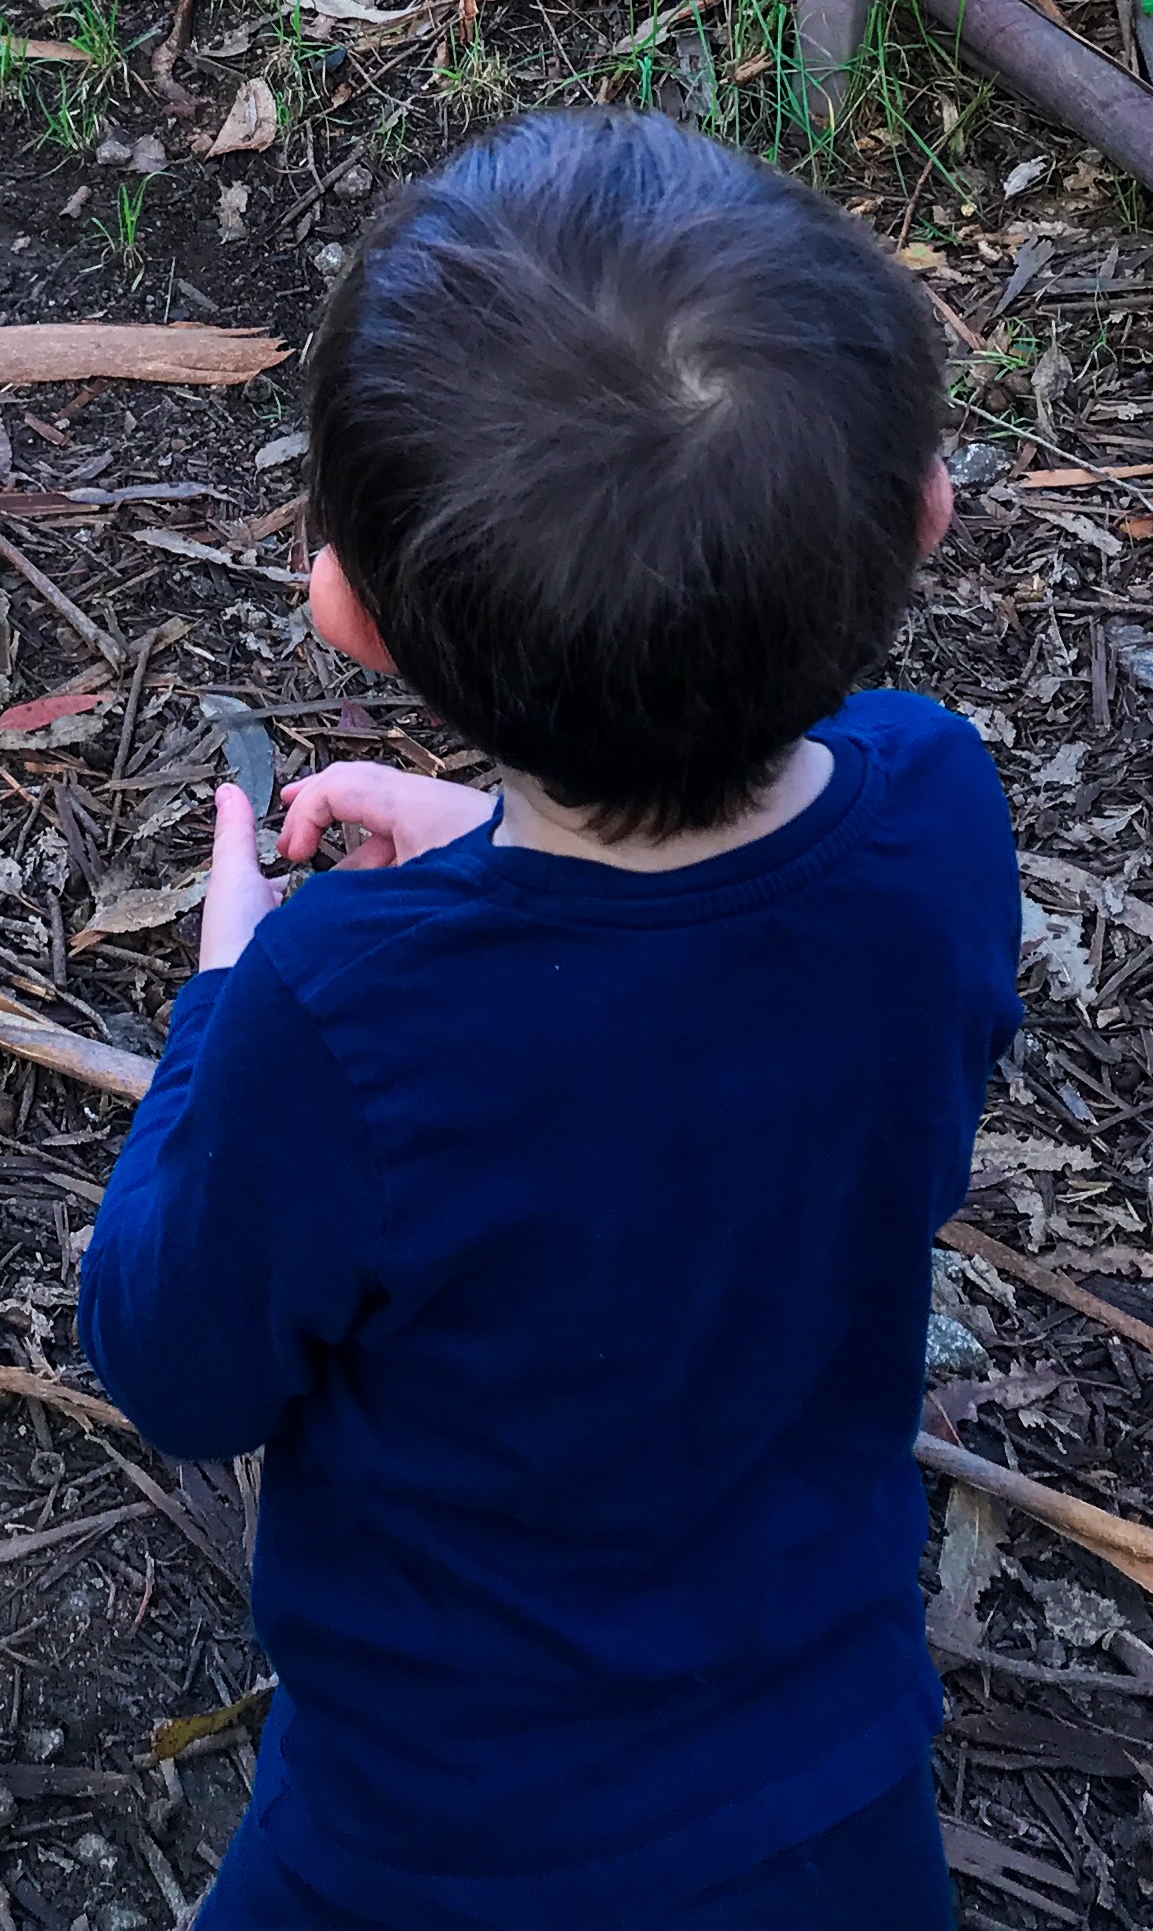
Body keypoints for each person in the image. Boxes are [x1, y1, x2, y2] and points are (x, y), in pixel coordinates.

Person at [80, 111, 1018, 1931]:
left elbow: (177, 1364)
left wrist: (216, 1008)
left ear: (341, 609)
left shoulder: (338, 1018)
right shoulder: (928, 812)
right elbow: (738, 1026)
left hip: (430, 1842)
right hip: (825, 1806)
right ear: (922, 513)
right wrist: (505, 863)